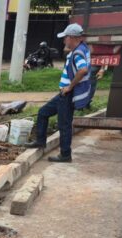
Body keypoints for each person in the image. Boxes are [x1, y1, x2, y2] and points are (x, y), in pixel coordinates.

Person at [26, 23, 91, 163]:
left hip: (67, 94)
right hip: (64, 94)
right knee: (43, 112)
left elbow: (83, 70)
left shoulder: (78, 53)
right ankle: (40, 141)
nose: (64, 41)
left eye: (65, 38)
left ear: (73, 37)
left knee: (64, 125)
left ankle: (65, 155)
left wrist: (69, 86)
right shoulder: (81, 49)